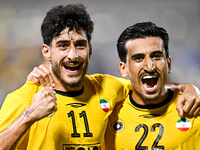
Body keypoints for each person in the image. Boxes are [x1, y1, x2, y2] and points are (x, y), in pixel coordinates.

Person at [0, 4, 199, 150]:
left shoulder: (106, 87)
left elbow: (144, 83)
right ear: (46, 52)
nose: (73, 55)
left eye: (80, 45)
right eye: (63, 46)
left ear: (90, 49)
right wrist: (29, 116)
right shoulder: (24, 98)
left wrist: (187, 88)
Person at [104, 21, 200, 149]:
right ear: (123, 69)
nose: (149, 67)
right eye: (138, 58)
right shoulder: (106, 116)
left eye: (156, 56)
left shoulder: (193, 109)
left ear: (169, 64)